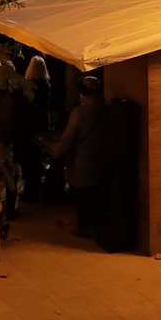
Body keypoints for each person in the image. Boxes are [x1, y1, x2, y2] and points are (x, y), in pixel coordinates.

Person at [46, 75, 108, 241]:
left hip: (83, 158)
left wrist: (57, 153)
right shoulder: (106, 109)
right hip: (102, 156)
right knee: (95, 191)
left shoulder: (79, 113)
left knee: (81, 192)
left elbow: (69, 137)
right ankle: (96, 224)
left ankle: (83, 226)